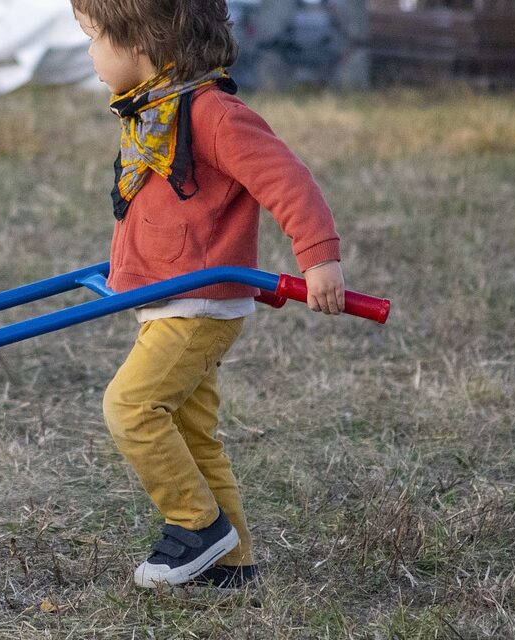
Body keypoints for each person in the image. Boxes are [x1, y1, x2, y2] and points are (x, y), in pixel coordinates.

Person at [71, 0, 347, 591]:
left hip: (196, 305)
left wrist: (319, 257)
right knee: (194, 435)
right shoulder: (155, 113)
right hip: (168, 301)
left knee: (132, 409)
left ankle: (196, 526)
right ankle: (232, 562)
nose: (88, 53)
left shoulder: (212, 113)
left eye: (93, 37)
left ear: (141, 41)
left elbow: (286, 177)